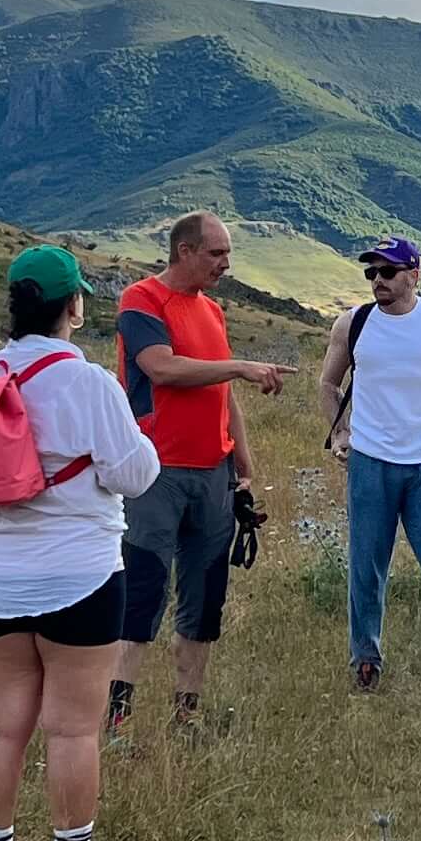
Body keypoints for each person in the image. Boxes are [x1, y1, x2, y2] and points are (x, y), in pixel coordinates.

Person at [0, 245, 162, 841]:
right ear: (74, 304)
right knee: (73, 728)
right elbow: (135, 474)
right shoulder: (89, 383)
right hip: (80, 573)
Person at [109, 212, 289, 736]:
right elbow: (161, 367)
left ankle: (186, 716)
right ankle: (116, 720)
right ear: (184, 251)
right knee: (143, 592)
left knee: (205, 597)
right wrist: (239, 367)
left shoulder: (212, 310)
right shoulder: (141, 301)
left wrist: (243, 465)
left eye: (227, 254)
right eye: (216, 254)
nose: (225, 264)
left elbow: (221, 394)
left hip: (213, 472)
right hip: (155, 470)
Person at [313, 236, 421, 694]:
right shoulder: (353, 323)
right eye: (371, 273)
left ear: (414, 275)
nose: (377, 281)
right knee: (367, 566)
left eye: (387, 272)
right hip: (371, 463)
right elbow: (328, 383)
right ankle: (365, 660)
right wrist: (341, 432)